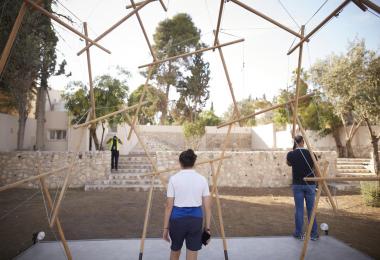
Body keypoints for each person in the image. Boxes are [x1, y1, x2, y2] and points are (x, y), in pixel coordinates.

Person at [162, 149, 211, 260]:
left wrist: (165, 228)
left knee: (175, 250)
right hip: (196, 220)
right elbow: (207, 207)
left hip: (177, 220)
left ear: (180, 163)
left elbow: (169, 206)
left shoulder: (173, 179)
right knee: (192, 253)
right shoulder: (202, 179)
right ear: (194, 162)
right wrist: (207, 229)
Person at [286, 135, 319, 241]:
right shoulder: (311, 153)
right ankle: (313, 234)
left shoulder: (291, 154)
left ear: (295, 142)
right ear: (302, 142)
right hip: (310, 184)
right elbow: (315, 168)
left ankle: (298, 233)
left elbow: (288, 163)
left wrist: (293, 152)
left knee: (299, 210)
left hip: (297, 185)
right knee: (311, 210)